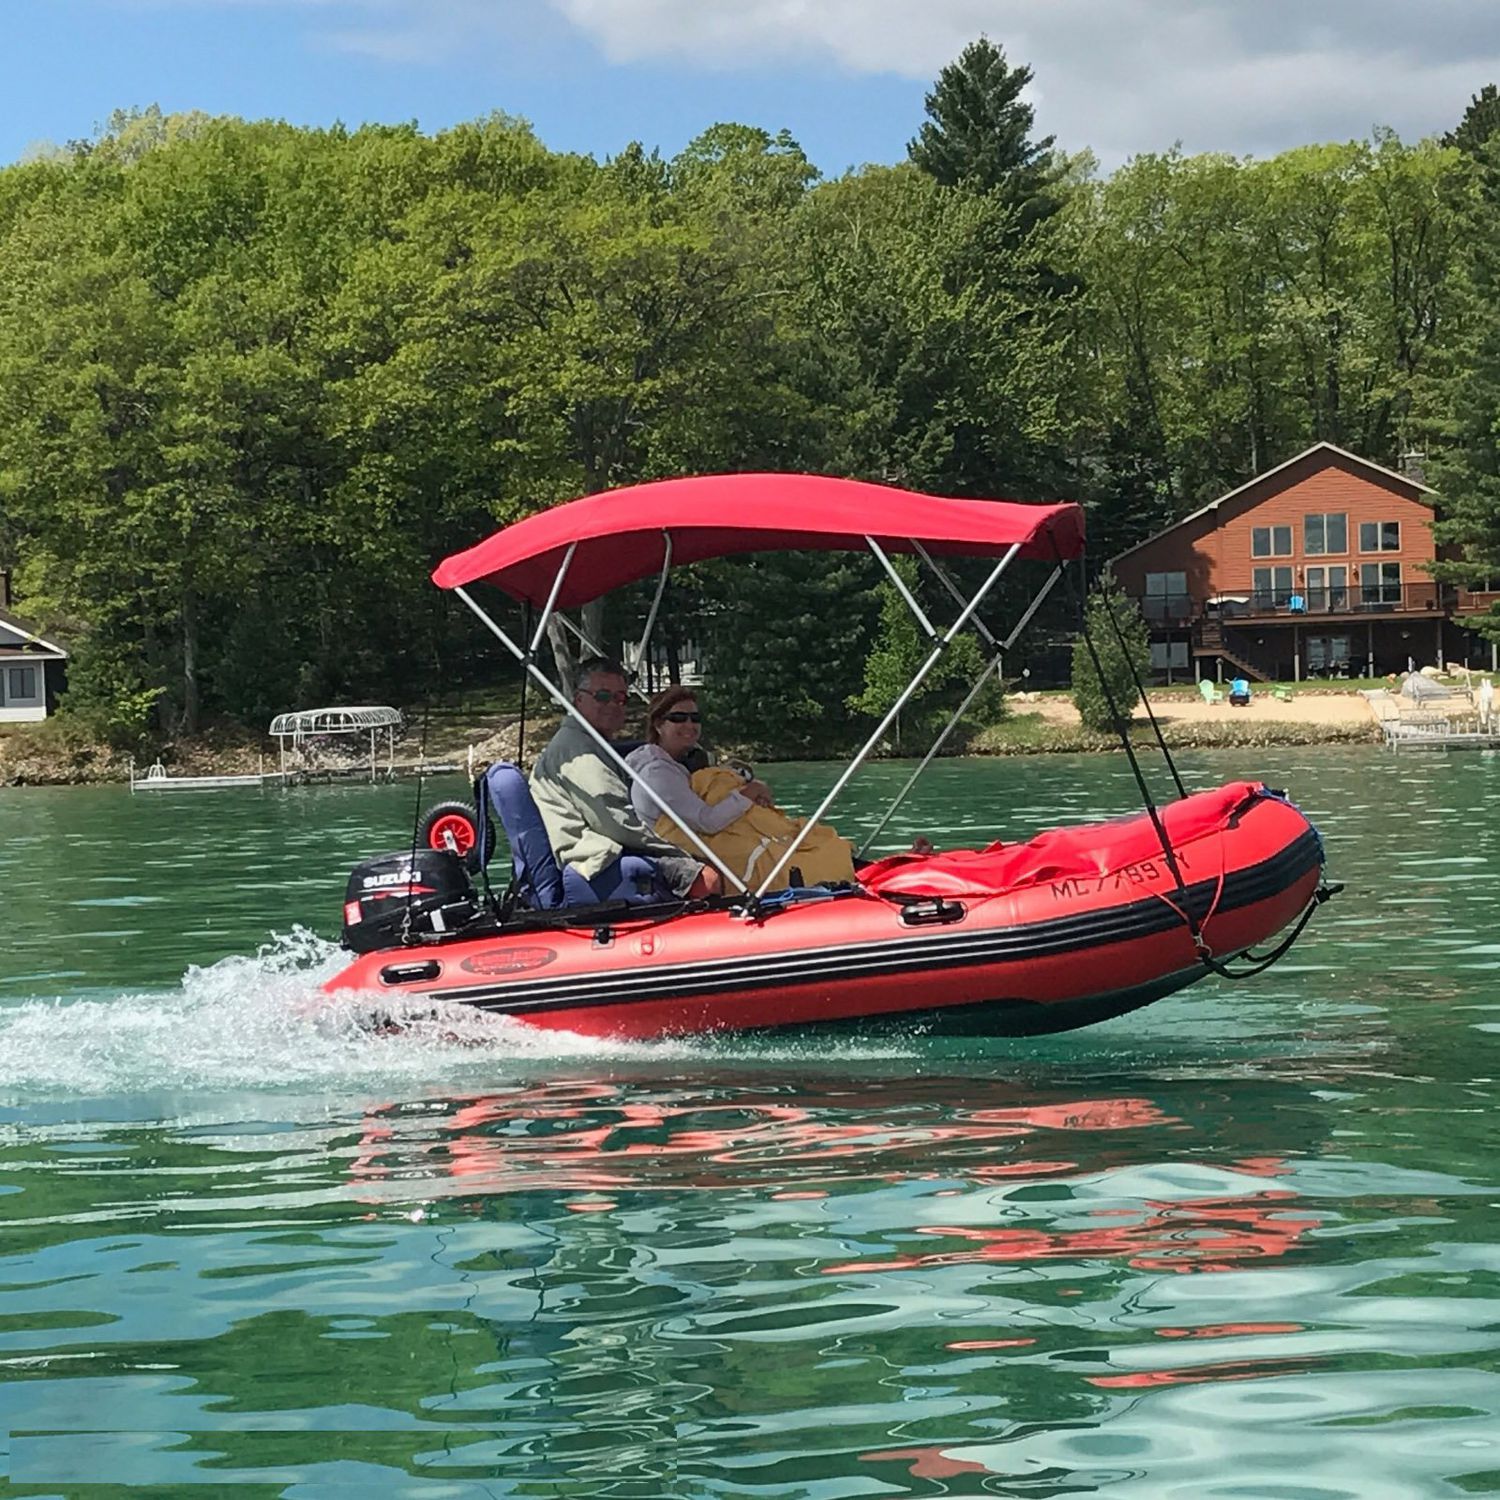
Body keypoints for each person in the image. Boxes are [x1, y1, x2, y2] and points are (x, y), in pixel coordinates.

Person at [529, 657, 720, 899]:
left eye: (620, 698)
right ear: (579, 700)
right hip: (597, 857)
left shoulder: (591, 743)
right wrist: (679, 852)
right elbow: (616, 823)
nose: (614, 705)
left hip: (610, 846)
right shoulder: (581, 753)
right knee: (708, 879)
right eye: (603, 696)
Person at [625, 686, 774, 833]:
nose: (689, 725)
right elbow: (706, 821)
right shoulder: (656, 772)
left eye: (695, 718)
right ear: (658, 725)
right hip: (673, 853)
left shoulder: (685, 764)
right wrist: (752, 791)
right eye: (678, 718)